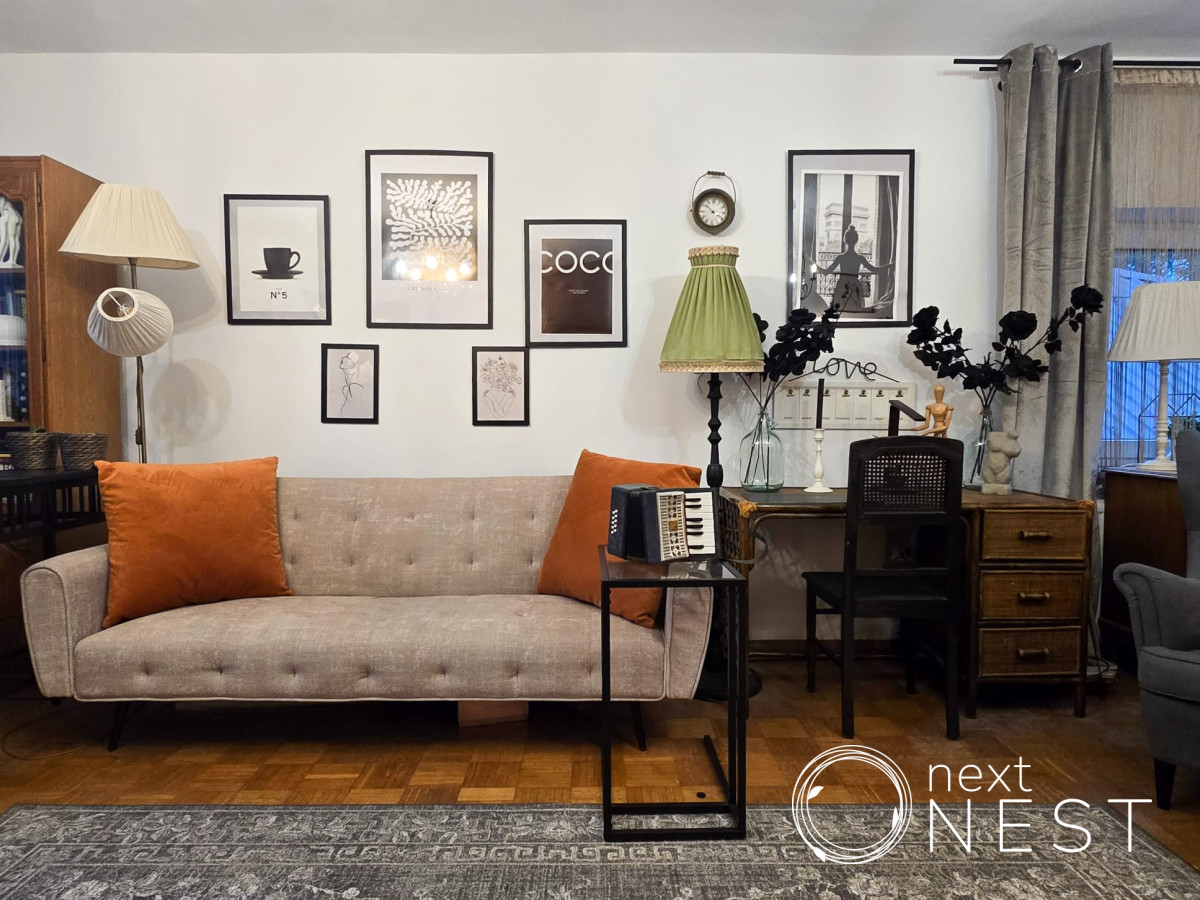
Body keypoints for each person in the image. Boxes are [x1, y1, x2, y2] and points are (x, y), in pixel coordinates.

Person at [812, 225, 892, 312]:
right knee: (855, 311)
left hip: (842, 286)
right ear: (856, 240)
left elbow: (826, 272)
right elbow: (874, 269)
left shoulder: (841, 257)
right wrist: (890, 265)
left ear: (845, 240)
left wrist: (812, 263)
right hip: (854, 286)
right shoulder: (859, 258)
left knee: (841, 311)